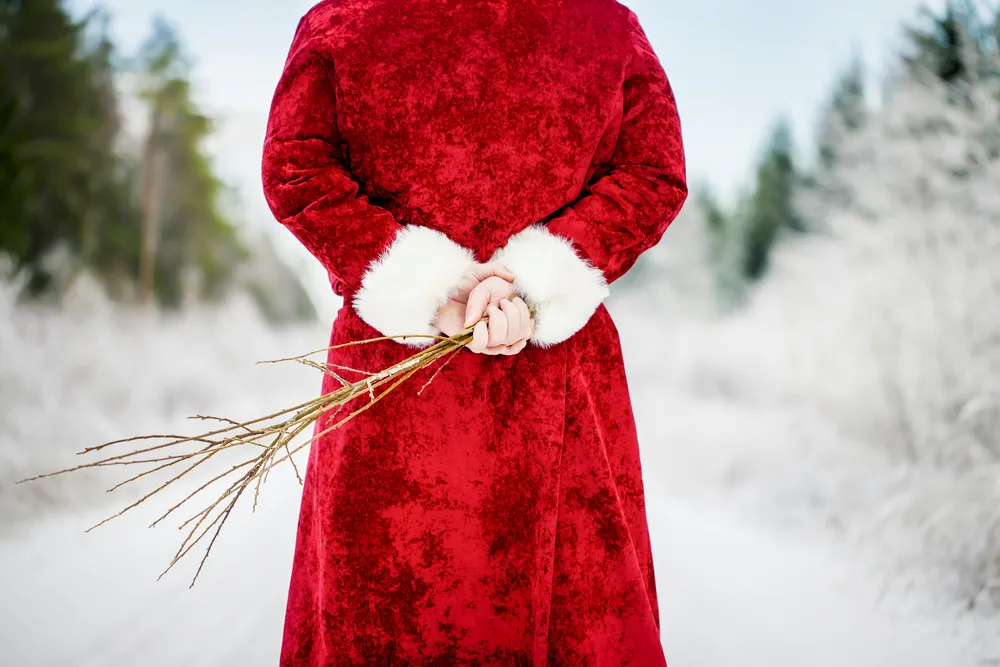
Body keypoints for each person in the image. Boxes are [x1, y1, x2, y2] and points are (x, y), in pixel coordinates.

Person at [261, 0, 687, 663]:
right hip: (555, 380)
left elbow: (295, 169)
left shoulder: (343, 21)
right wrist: (534, 279)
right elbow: (654, 172)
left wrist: (432, 288)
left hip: (389, 383)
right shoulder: (606, 25)